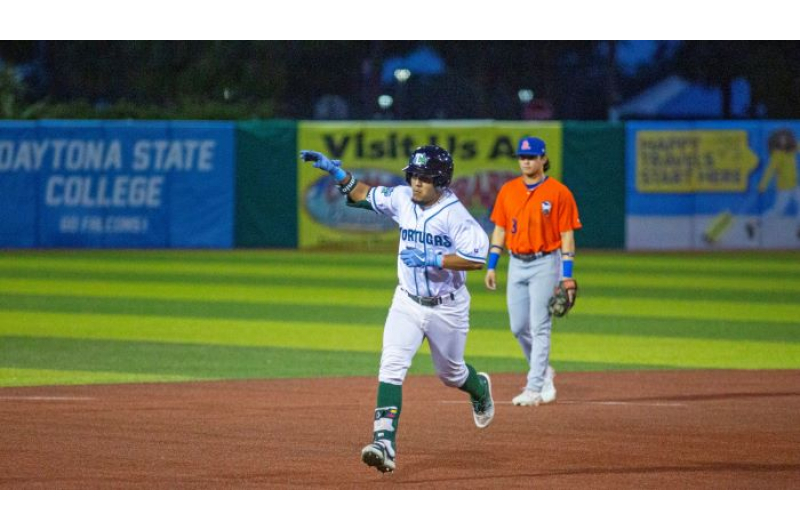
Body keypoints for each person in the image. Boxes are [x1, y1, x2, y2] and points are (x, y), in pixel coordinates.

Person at [300, 145, 494, 474]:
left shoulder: (455, 215)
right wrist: (337, 174)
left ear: (441, 181)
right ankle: (384, 443)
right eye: (414, 175)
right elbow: (364, 193)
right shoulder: (403, 198)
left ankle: (479, 388)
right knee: (391, 366)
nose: (417, 183)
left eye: (425, 178)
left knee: (451, 374)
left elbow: (477, 258)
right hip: (406, 301)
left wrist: (436, 259)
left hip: (447, 307)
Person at [484, 136, 581, 406]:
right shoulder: (508, 190)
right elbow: (500, 229)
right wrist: (492, 265)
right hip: (516, 262)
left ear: (543, 159)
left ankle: (534, 387)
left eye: (531, 157)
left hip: (545, 263)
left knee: (540, 326)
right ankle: (543, 370)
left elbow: (567, 235)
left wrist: (567, 274)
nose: (526, 161)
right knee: (518, 327)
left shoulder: (559, 193)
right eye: (522, 157)